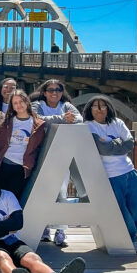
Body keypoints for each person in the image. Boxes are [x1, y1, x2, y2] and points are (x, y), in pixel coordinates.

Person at [0, 163, 86, 273]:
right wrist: (7, 226)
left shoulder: (8, 196)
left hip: (11, 240)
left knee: (32, 258)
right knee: (2, 257)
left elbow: (18, 222)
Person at [83, 96, 137, 254]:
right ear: (90, 110)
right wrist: (119, 142)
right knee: (121, 209)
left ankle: (134, 235)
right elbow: (102, 149)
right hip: (111, 175)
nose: (99, 109)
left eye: (103, 106)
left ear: (108, 108)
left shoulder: (117, 123)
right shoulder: (88, 126)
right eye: (95, 106)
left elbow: (129, 144)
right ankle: (131, 239)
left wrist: (111, 145)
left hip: (129, 171)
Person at [32, 79, 82, 247]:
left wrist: (61, 119)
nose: (54, 92)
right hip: (41, 154)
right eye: (50, 89)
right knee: (42, 191)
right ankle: (44, 227)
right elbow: (35, 120)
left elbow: (79, 119)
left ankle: (60, 230)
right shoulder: (37, 105)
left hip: (61, 154)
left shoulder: (67, 105)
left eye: (58, 89)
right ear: (44, 92)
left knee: (61, 192)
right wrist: (61, 118)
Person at [0, 89, 46, 202]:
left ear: (27, 102)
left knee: (14, 199)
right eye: (15, 103)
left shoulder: (38, 125)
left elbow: (39, 148)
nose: (19, 105)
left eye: (21, 101)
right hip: (4, 164)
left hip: (22, 168)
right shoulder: (7, 123)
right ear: (12, 106)